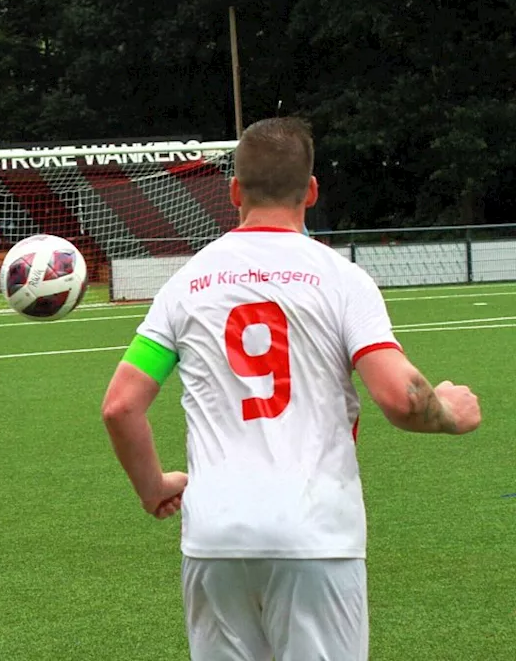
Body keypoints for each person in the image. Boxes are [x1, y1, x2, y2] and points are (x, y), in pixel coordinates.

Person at [99, 117, 482, 661]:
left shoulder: (184, 283)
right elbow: (401, 398)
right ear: (313, 189)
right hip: (315, 535)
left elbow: (120, 406)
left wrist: (152, 486)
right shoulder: (341, 279)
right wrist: (451, 411)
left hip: (215, 538)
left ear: (233, 191)